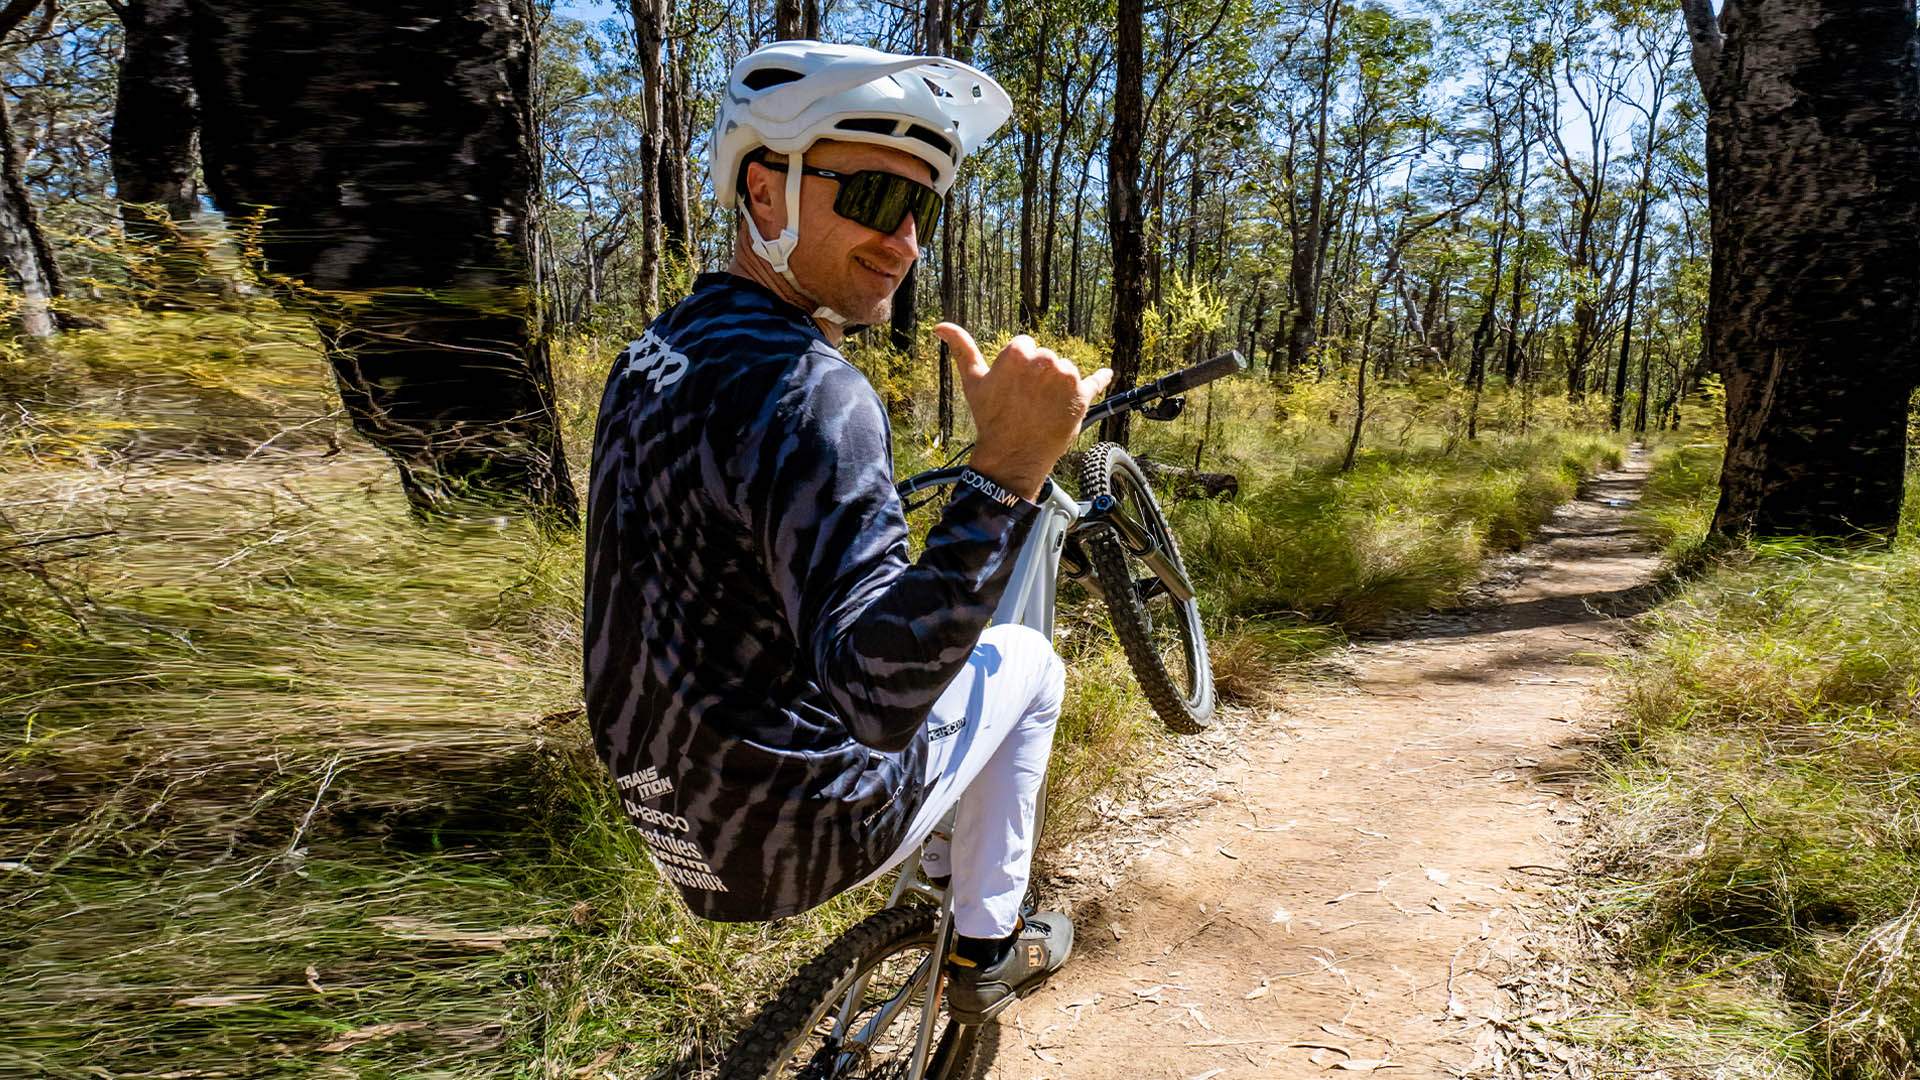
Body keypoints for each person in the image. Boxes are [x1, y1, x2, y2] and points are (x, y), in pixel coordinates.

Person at [582, 40, 1111, 1023]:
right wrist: (1007, 470)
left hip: (668, 816)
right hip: (793, 836)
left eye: (923, 210)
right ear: (764, 191)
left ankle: (947, 868)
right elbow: (878, 696)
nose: (905, 242)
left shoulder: (650, 351)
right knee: (1034, 665)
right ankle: (987, 947)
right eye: (872, 196)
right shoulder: (816, 393)